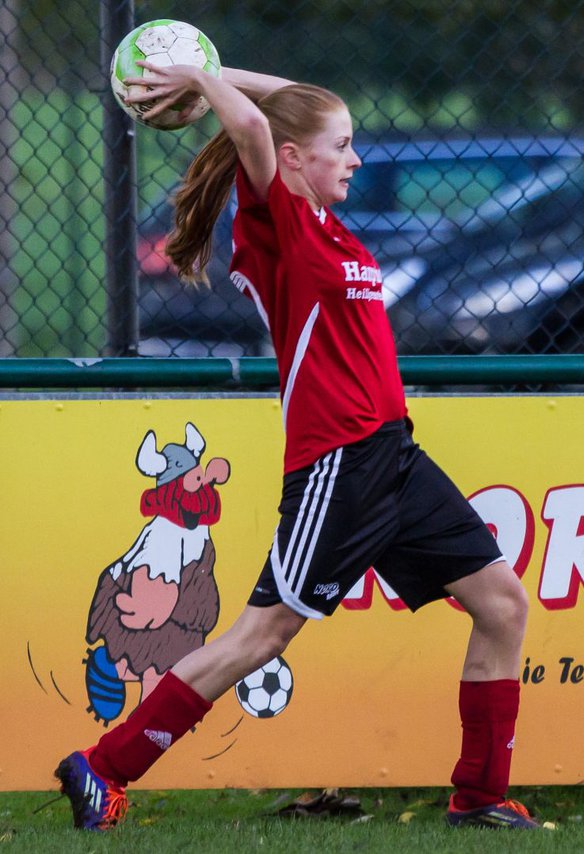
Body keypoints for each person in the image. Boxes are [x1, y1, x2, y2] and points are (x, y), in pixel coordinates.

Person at [55, 60, 540, 831]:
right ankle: (103, 769)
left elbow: (280, 104)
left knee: (503, 604)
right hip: (337, 463)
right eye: (341, 146)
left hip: (393, 456)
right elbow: (254, 125)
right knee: (265, 633)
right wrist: (197, 73)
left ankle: (480, 796)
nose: (354, 159)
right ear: (291, 160)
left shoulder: (330, 223)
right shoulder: (277, 216)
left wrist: (215, 70)